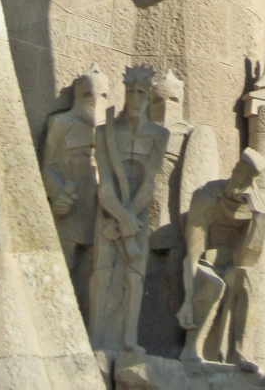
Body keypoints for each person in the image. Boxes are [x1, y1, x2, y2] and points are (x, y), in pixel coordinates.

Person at [89, 67, 169, 353]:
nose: (136, 99)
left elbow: (149, 182)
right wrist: (118, 218)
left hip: (137, 215)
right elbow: (105, 182)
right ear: (125, 92)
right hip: (110, 214)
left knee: (134, 277)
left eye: (142, 93)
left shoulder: (159, 135)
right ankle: (96, 336)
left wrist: (130, 220)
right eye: (132, 92)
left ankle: (128, 339)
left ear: (149, 97)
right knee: (102, 272)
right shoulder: (105, 132)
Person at [177, 148, 265, 366]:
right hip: (206, 261)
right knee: (212, 284)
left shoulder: (253, 206)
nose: (242, 181)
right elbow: (193, 251)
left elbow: (250, 258)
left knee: (250, 280)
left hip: (232, 265)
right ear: (234, 170)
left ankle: (241, 352)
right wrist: (187, 300)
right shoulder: (207, 195)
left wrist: (259, 218)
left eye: (248, 179)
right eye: (240, 173)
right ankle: (192, 348)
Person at [42, 65, 111, 319]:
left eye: (103, 95)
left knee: (92, 270)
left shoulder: (110, 131)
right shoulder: (61, 123)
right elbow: (49, 166)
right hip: (70, 206)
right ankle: (55, 318)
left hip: (99, 207)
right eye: (89, 94)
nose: (95, 101)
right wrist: (58, 194)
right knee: (63, 262)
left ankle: (82, 323)